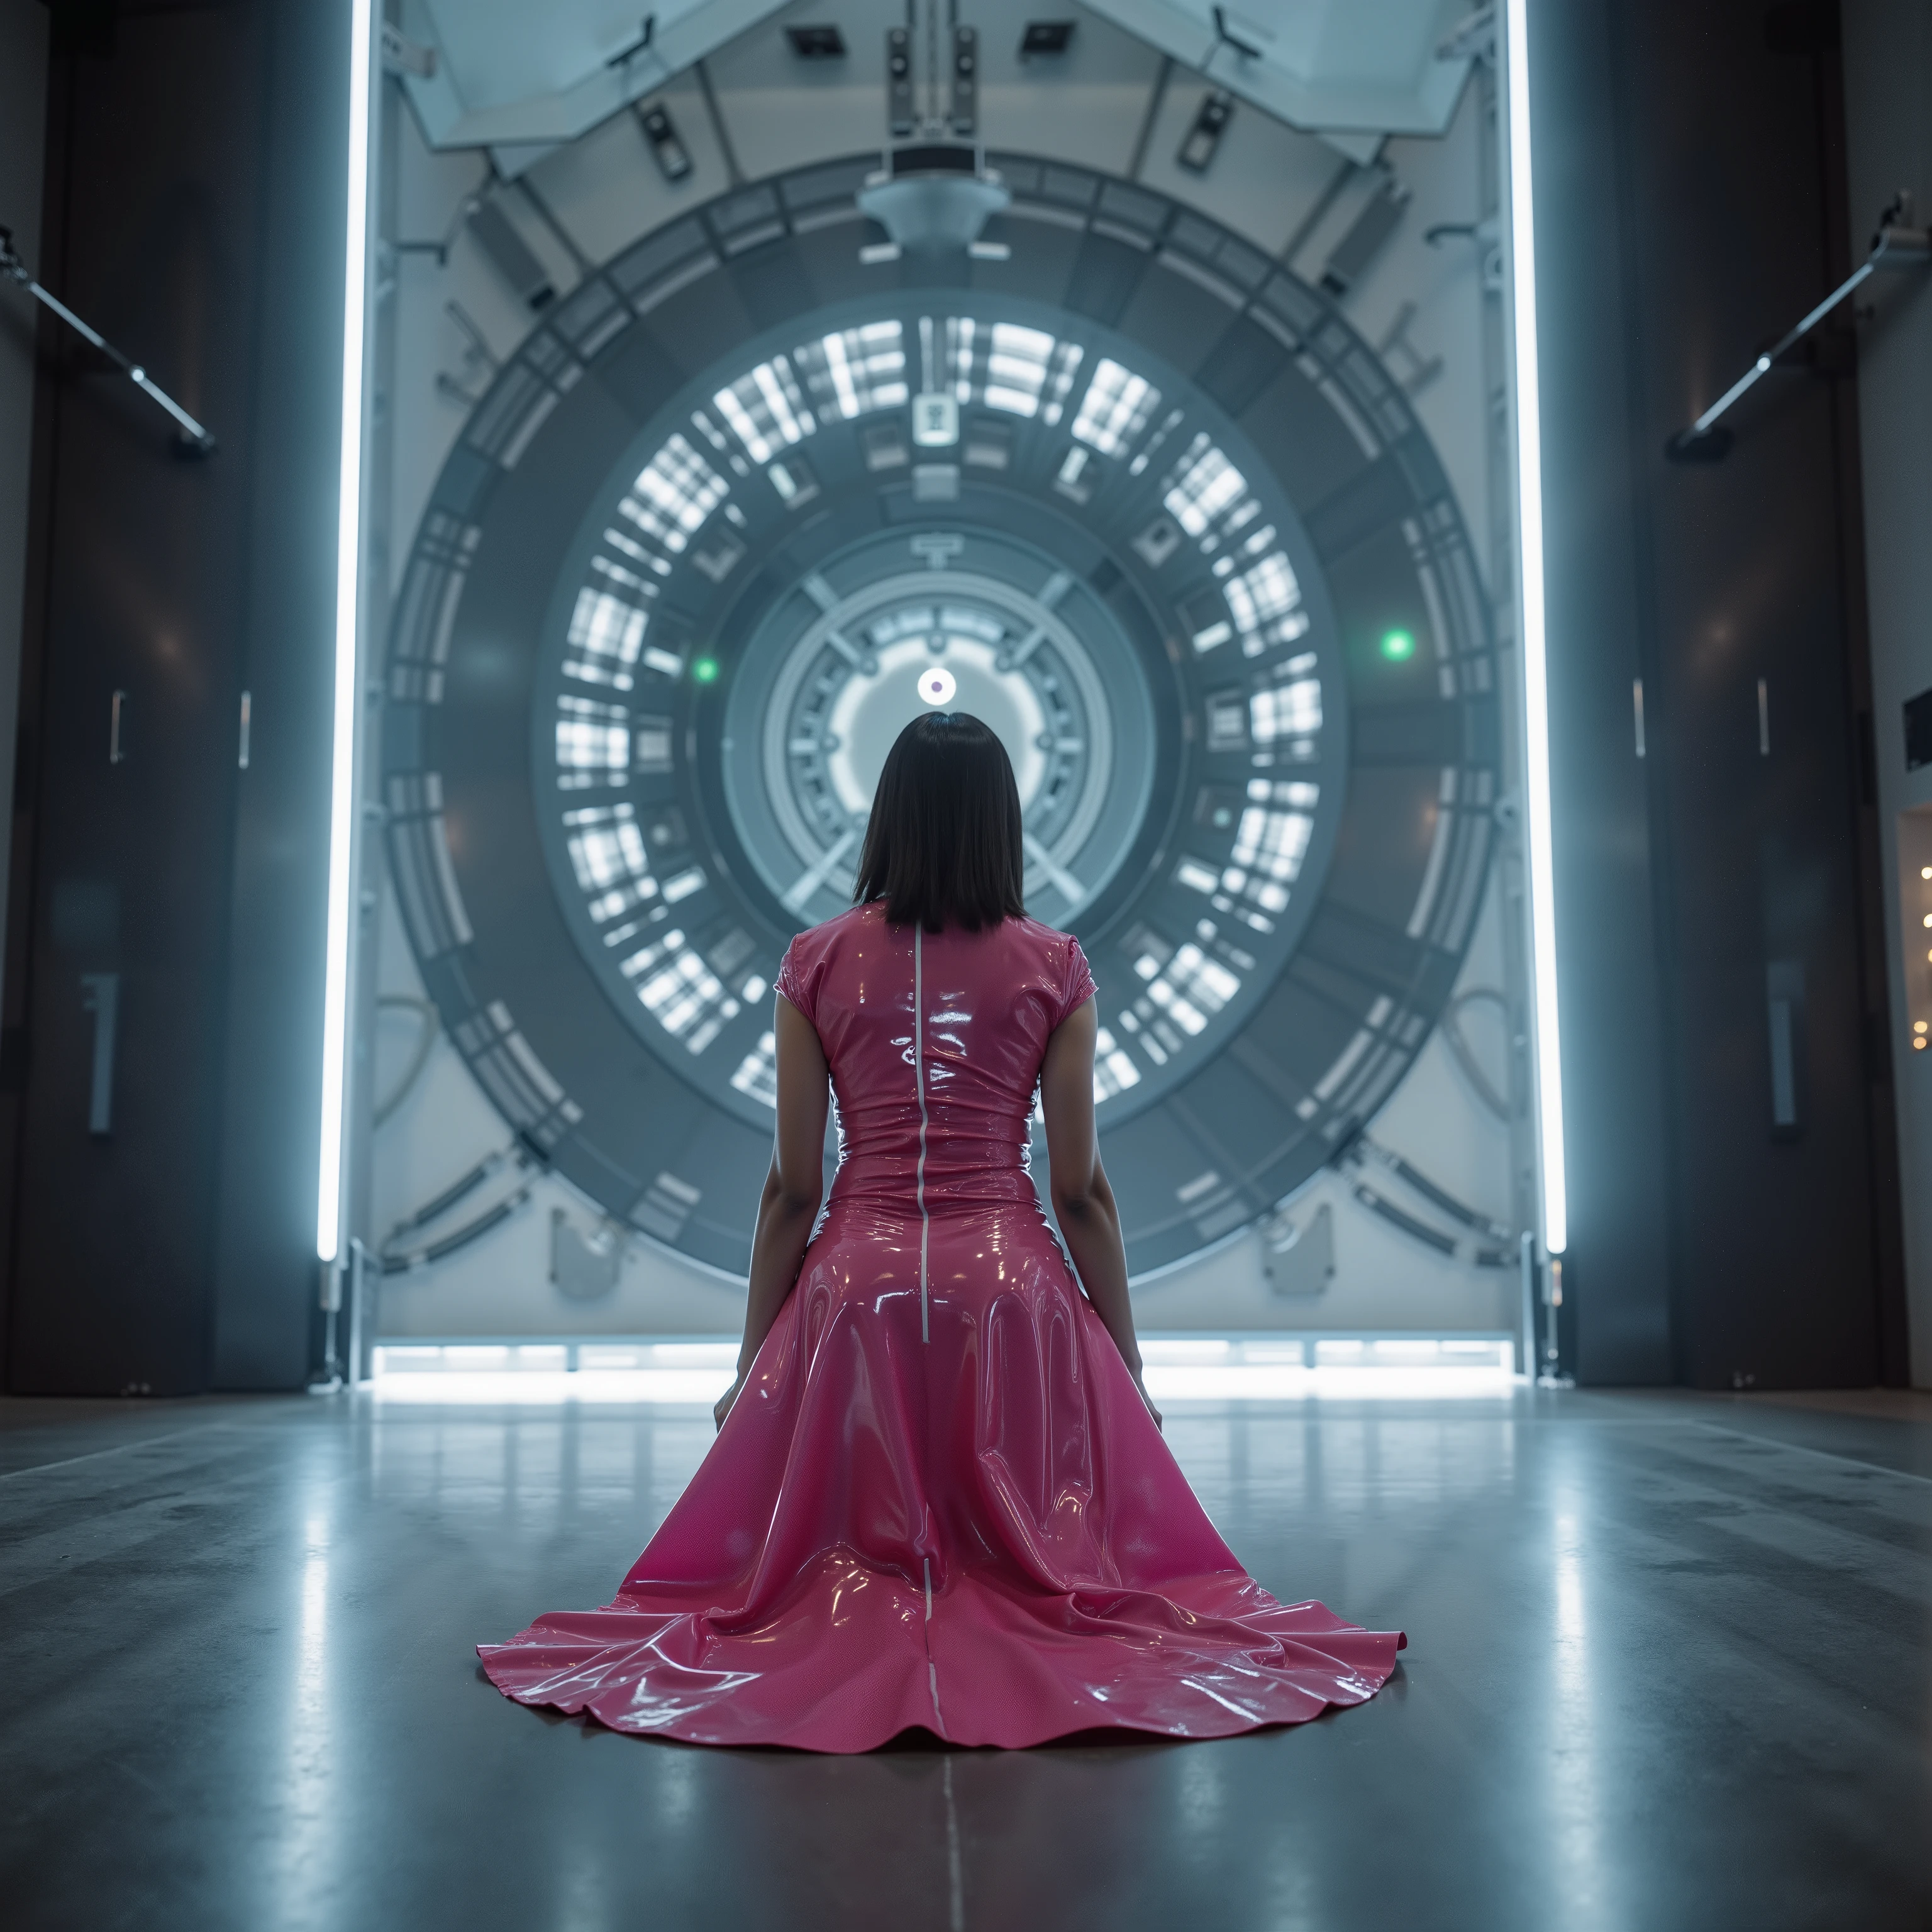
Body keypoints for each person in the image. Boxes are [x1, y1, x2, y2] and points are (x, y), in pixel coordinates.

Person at [479, 713, 1404, 1750]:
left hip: (854, 1299)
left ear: (886, 821)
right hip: (1012, 1296)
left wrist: (750, 1366)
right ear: (1004, 825)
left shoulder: (814, 964)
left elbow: (793, 1185)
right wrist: (1127, 1361)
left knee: (826, 1558)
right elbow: (1079, 1189)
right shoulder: (1056, 967)